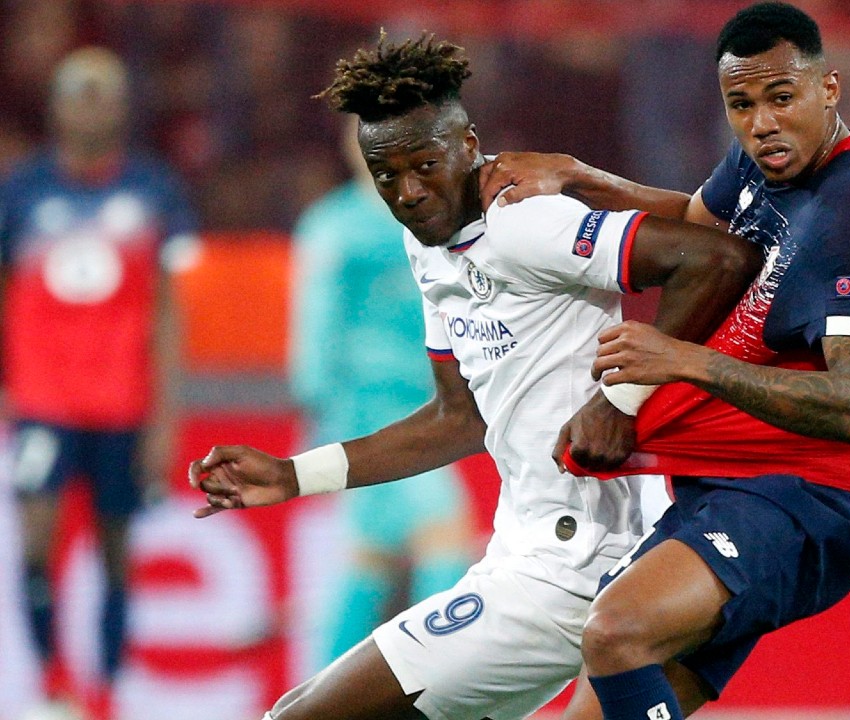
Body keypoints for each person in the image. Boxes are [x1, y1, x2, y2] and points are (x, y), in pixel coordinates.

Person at [189, 34, 761, 720]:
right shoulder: (427, 241)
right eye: (386, 175)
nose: (408, 192)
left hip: (573, 565)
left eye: (425, 165)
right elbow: (458, 419)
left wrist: (622, 399)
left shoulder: (525, 220)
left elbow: (720, 260)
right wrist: (291, 475)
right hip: (522, 556)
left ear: (468, 144)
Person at [479, 3, 850, 718]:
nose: (761, 123)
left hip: (810, 496)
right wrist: (579, 176)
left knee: (616, 632)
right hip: (732, 483)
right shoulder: (763, 162)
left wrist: (686, 361)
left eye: (782, 98)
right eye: (740, 105)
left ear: (829, 89)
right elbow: (698, 225)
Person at [0, 47, 196, 720]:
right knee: (34, 545)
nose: (91, 105)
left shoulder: (154, 190)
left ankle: (107, 694)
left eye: (103, 93)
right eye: (78, 93)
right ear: (55, 105)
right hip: (42, 403)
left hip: (123, 406)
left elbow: (169, 309)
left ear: (122, 105)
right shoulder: (19, 193)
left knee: (117, 554)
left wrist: (166, 417)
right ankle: (53, 687)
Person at [289, 116, 473, 666]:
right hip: (365, 413)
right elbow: (313, 332)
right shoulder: (334, 227)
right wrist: (321, 412)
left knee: (371, 558)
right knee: (443, 539)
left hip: (422, 408)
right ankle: (438, 686)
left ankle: (315, 695)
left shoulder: (431, 221)